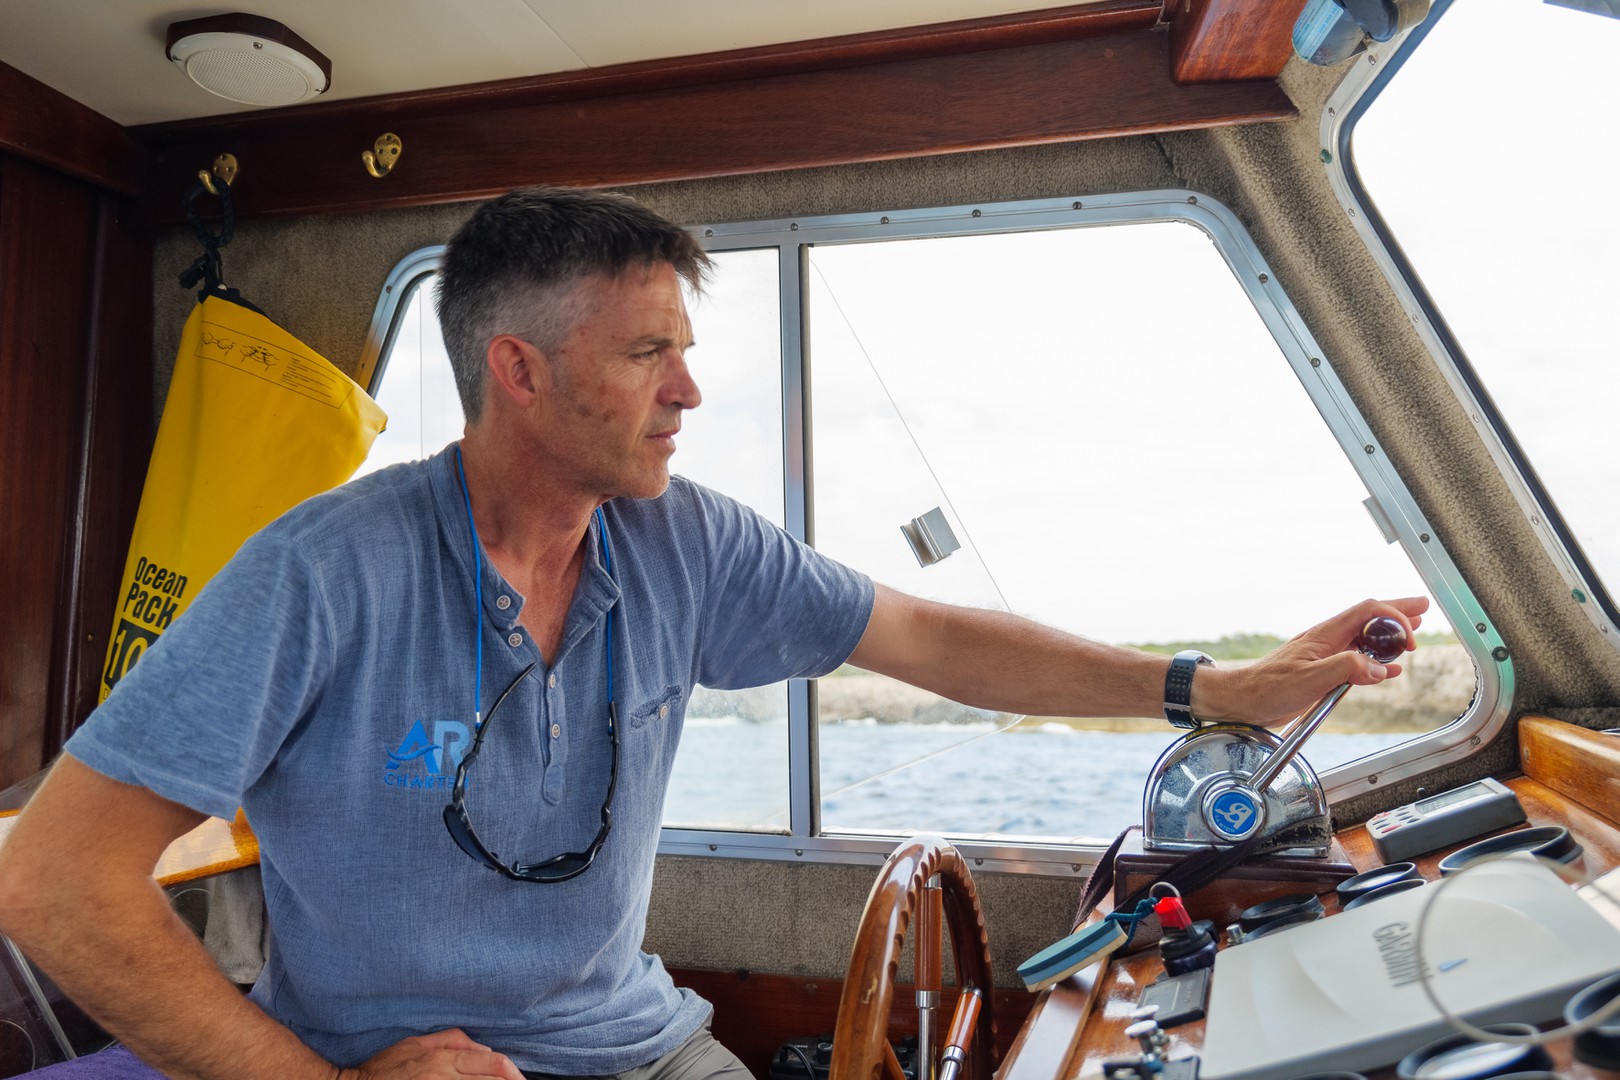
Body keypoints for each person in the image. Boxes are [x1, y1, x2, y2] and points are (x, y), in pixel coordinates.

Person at [0, 186, 1426, 1080]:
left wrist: (1214, 688)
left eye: (685, 351)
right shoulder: (322, 573)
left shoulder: (684, 540)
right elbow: (53, 881)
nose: (687, 390)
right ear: (518, 371)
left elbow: (929, 637)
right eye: (648, 352)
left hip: (640, 1042)